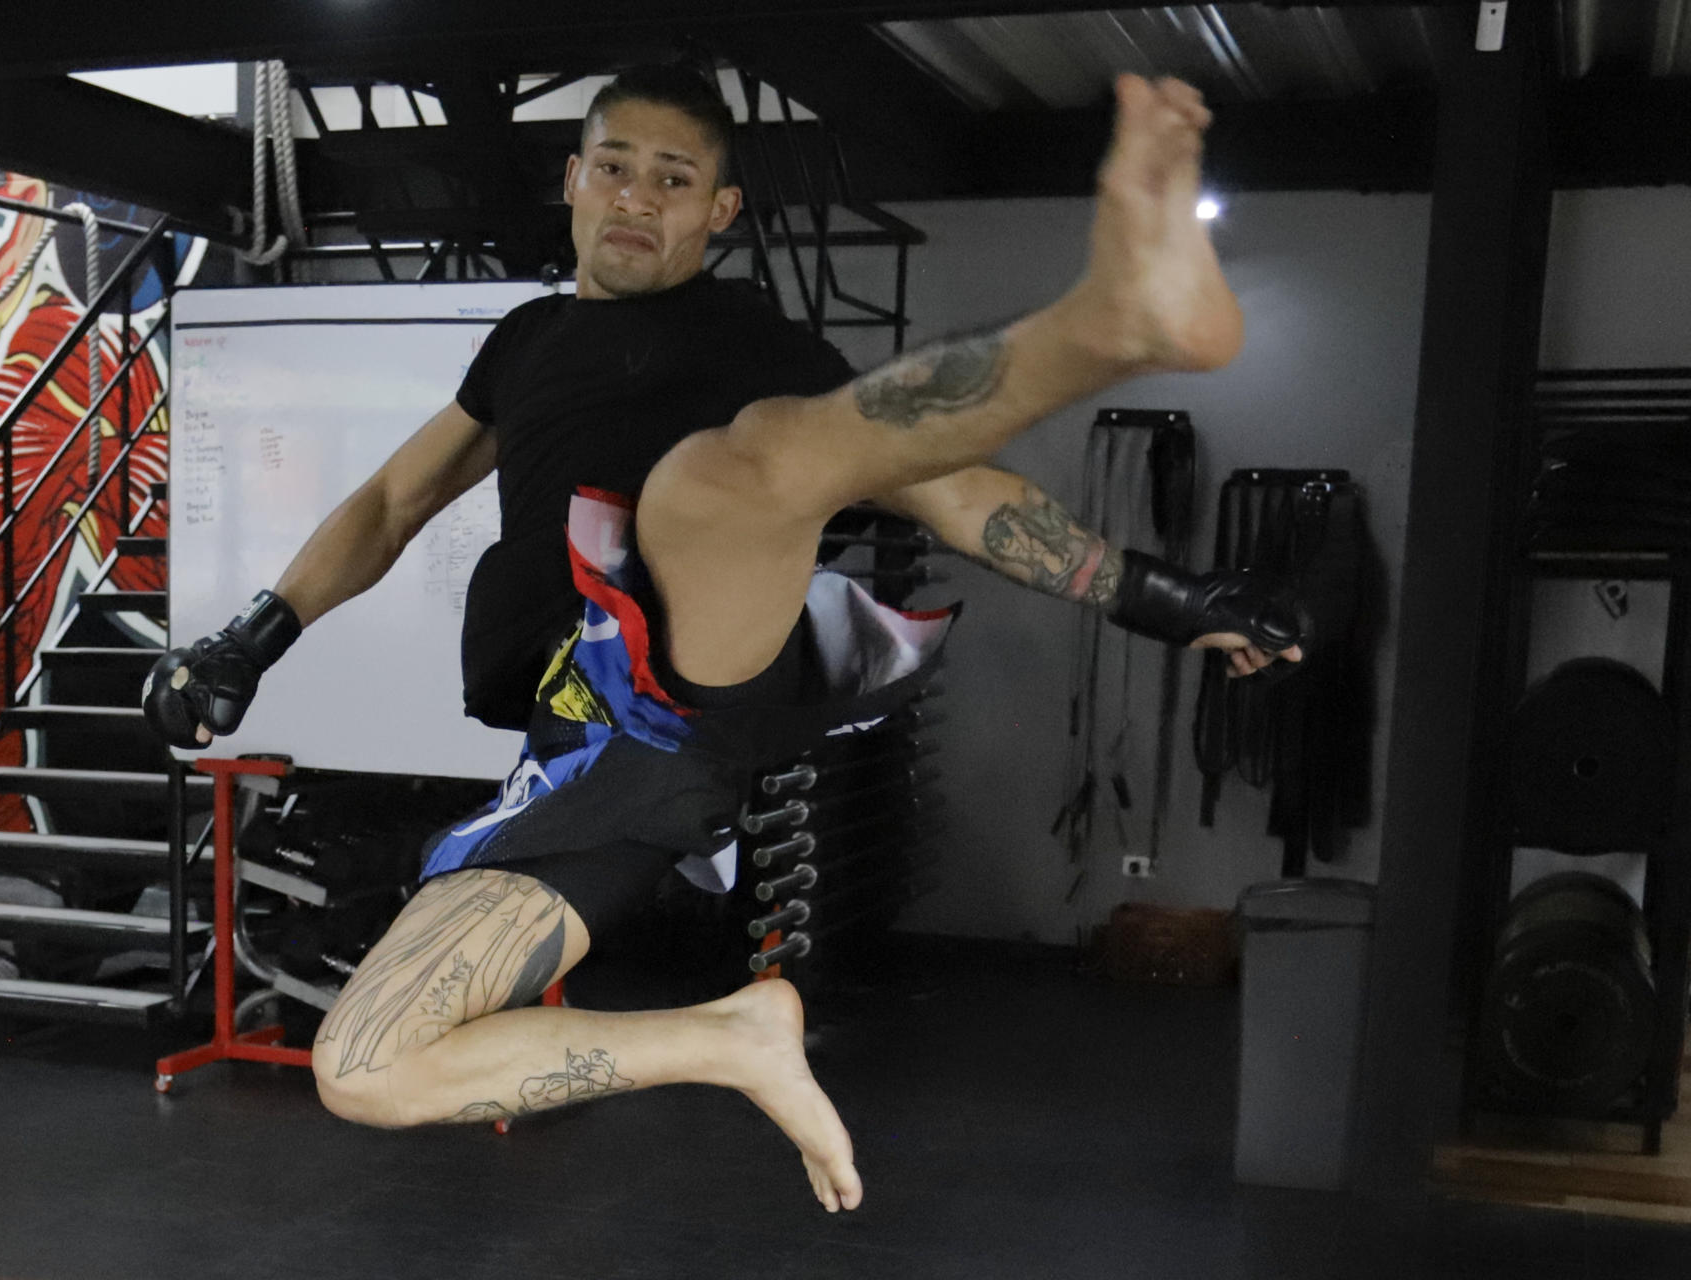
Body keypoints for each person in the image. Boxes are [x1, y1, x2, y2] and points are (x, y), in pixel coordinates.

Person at [144, 67, 1301, 1214]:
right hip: (582, 763)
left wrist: (1152, 591)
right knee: (365, 1064)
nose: (638, 198)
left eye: (673, 178)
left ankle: (1104, 325)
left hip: (694, 673)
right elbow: (392, 503)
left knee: (706, 479)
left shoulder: (753, 339)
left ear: (719, 211)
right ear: (574, 180)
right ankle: (731, 1036)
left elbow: (947, 487)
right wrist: (255, 634)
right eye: (615, 169)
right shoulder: (527, 338)